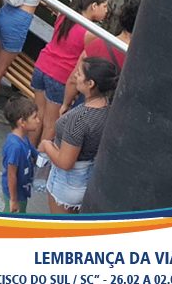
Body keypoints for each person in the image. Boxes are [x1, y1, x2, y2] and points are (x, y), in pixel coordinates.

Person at [39, 58, 118, 214]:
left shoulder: (78, 120)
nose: (75, 75)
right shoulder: (108, 109)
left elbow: (65, 162)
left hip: (67, 183)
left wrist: (46, 145)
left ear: (90, 83)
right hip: (87, 177)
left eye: (80, 74)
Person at [32, 0, 109, 144]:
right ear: (94, 6)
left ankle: (28, 148)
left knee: (37, 116)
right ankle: (40, 156)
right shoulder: (91, 33)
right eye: (105, 6)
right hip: (59, 77)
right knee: (50, 125)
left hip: (42, 66)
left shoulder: (63, 16)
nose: (107, 11)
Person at [60, 0, 139, 111]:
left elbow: (74, 79)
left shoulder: (97, 44)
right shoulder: (137, 59)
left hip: (88, 101)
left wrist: (65, 104)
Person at [1, 95, 40, 213]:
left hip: (22, 189)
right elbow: (11, 174)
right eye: (35, 117)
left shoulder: (24, 138)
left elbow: (35, 154)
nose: (38, 121)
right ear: (22, 122)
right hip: (16, 193)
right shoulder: (15, 147)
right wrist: (13, 200)